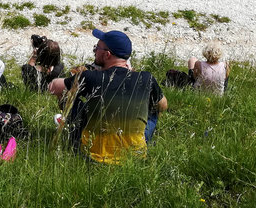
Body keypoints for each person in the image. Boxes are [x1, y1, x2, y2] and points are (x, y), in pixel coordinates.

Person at [49, 29, 168, 164]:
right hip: (133, 161)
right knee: (154, 109)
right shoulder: (146, 78)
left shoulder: (90, 77)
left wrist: (76, 80)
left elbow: (53, 87)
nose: (94, 51)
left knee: (70, 95)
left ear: (107, 55)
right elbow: (163, 105)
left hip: (92, 158)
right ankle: (137, 142)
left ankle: (73, 129)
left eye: (97, 48)